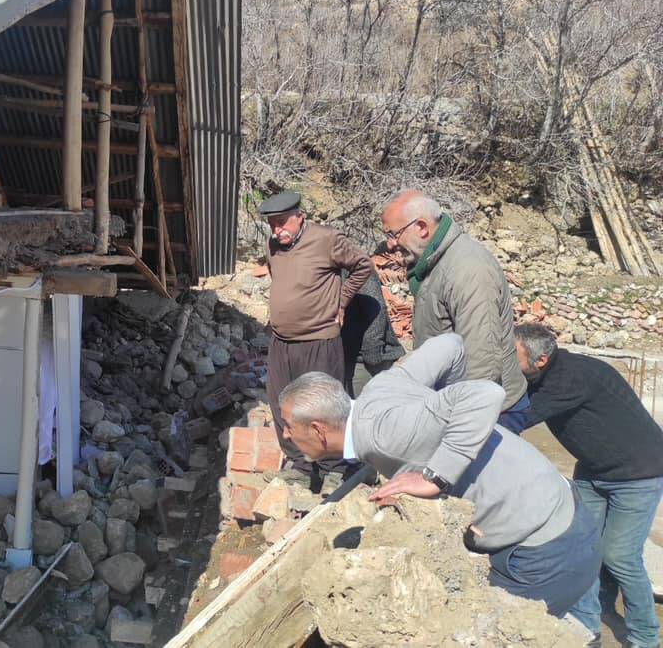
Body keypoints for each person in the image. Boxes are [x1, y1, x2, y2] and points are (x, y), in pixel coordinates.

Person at [278, 333, 601, 617]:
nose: (286, 435)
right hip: (561, 505)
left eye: (289, 426)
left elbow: (484, 394)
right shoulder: (380, 388)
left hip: (545, 547)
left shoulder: (385, 435)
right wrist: (443, 421)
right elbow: (450, 344)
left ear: (318, 429)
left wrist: (435, 477)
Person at [515, 323, 663, 648]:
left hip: (638, 474)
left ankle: (645, 637)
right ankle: (587, 627)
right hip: (594, 469)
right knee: (582, 548)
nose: (507, 361)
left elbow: (517, 418)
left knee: (619, 555)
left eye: (514, 355)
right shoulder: (543, 375)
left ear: (540, 360)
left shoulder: (569, 378)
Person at [380, 190, 529, 433]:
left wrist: (464, 426)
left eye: (393, 234)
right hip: (451, 401)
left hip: (488, 413)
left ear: (421, 227)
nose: (390, 244)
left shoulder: (468, 270)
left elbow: (482, 360)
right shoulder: (433, 262)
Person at [260, 190, 374, 485]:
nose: (277, 230)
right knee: (281, 402)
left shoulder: (327, 239)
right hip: (281, 342)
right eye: (272, 224)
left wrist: (341, 301)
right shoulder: (273, 246)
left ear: (299, 217)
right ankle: (299, 465)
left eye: (282, 222)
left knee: (322, 406)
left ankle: (333, 468)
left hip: (318, 340)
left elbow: (363, 265)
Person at [340, 270, 405, 397]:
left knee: (365, 405)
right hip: (346, 358)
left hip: (364, 360)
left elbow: (376, 312)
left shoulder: (357, 268)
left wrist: (372, 355)